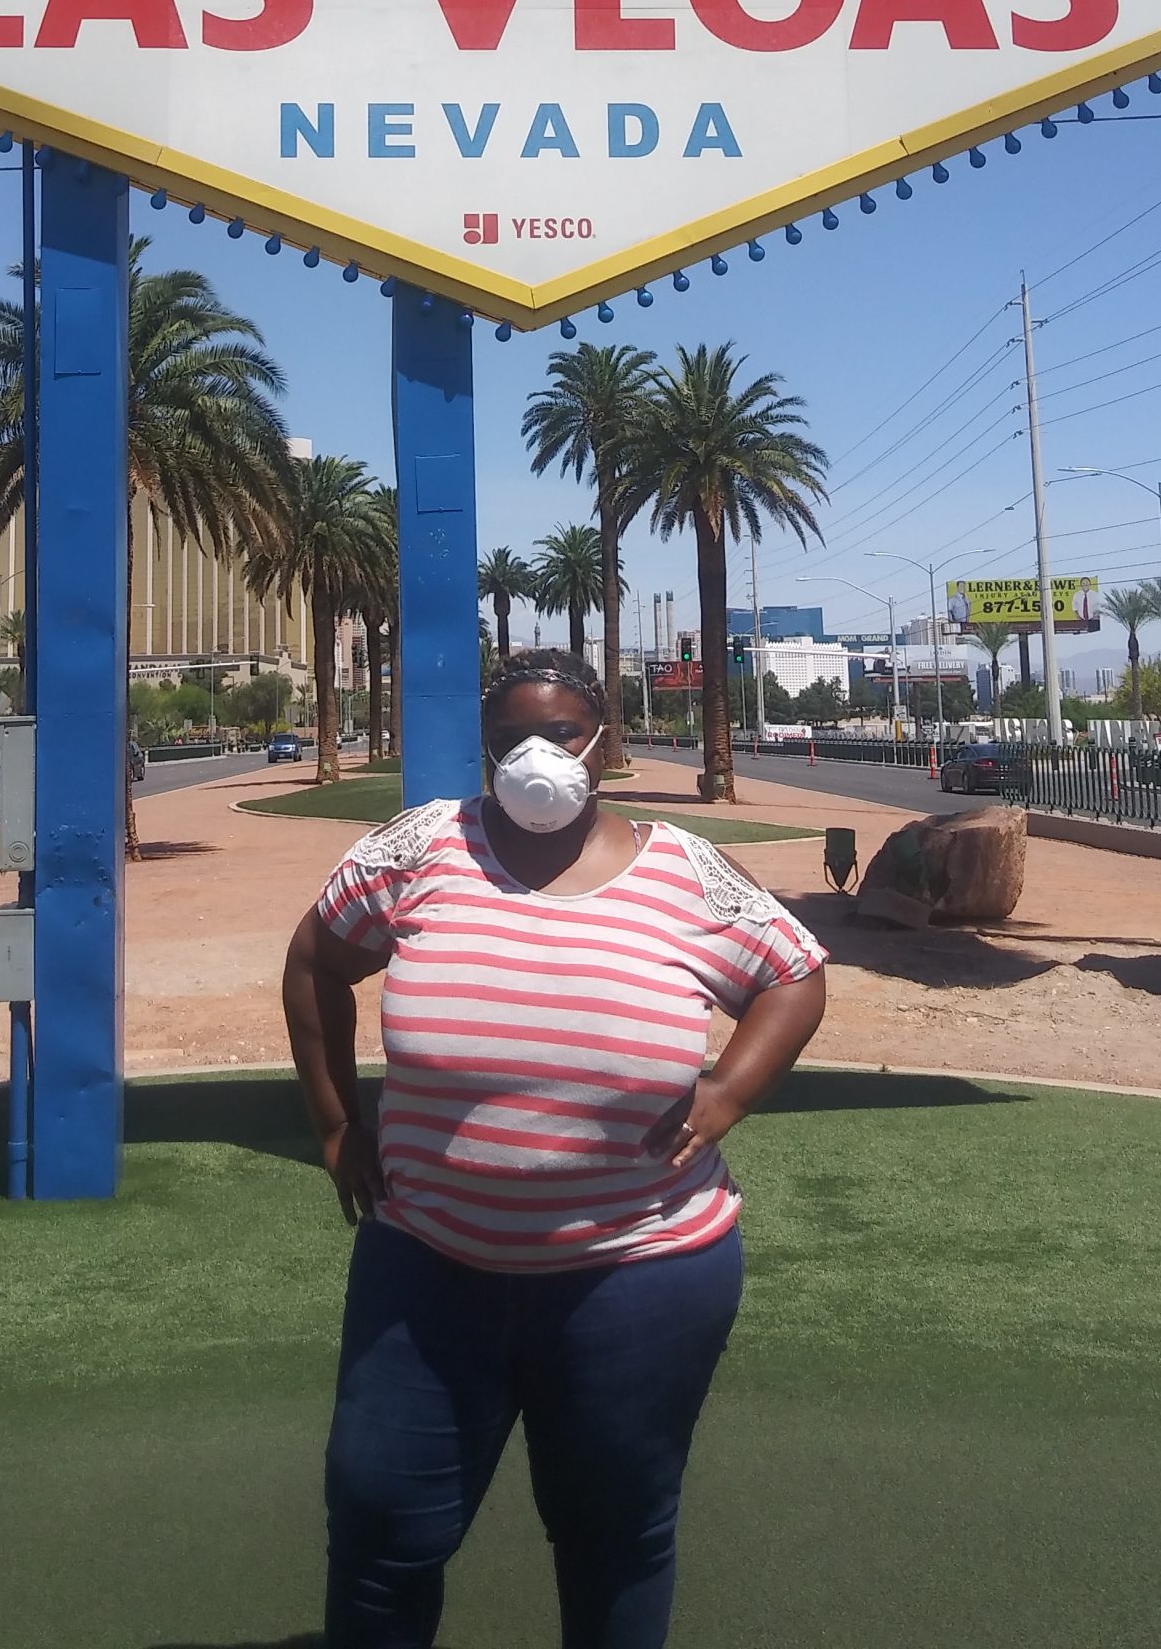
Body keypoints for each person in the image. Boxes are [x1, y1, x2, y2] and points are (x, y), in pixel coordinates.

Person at [283, 646, 828, 1649]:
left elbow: (793, 973)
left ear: (605, 740)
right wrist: (335, 1122)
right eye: (510, 740)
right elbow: (315, 958)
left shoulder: (682, 869)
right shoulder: (418, 850)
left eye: (563, 733)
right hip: (427, 1266)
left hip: (641, 1276)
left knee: (614, 1535)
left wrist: (727, 1092)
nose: (537, 755)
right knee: (380, 1527)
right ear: (484, 749)